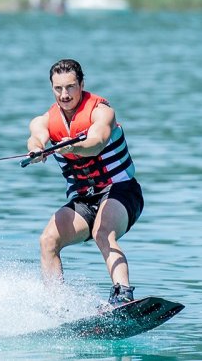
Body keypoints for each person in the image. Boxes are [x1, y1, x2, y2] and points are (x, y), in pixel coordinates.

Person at [26, 59, 144, 306]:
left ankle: (123, 295)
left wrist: (71, 145)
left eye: (70, 87)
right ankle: (57, 307)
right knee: (48, 240)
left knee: (103, 232)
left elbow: (97, 142)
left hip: (121, 191)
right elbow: (36, 137)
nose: (64, 94)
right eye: (58, 89)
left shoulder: (102, 112)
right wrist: (37, 150)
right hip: (85, 200)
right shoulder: (44, 120)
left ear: (81, 84)